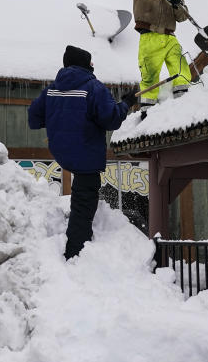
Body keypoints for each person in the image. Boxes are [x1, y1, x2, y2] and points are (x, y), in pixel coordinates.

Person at [28, 45, 137, 260]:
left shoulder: (52, 89)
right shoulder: (93, 87)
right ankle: (76, 253)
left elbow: (34, 119)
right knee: (84, 203)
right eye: (91, 63)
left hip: (62, 151)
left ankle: (78, 243)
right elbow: (111, 119)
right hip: (86, 154)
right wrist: (126, 103)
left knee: (81, 197)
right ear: (86, 65)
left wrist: (58, 114)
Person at [114, 0, 192, 107]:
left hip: (170, 37)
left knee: (181, 67)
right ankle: (147, 108)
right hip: (150, 36)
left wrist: (176, 3)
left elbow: (183, 17)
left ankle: (184, 100)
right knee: (149, 75)